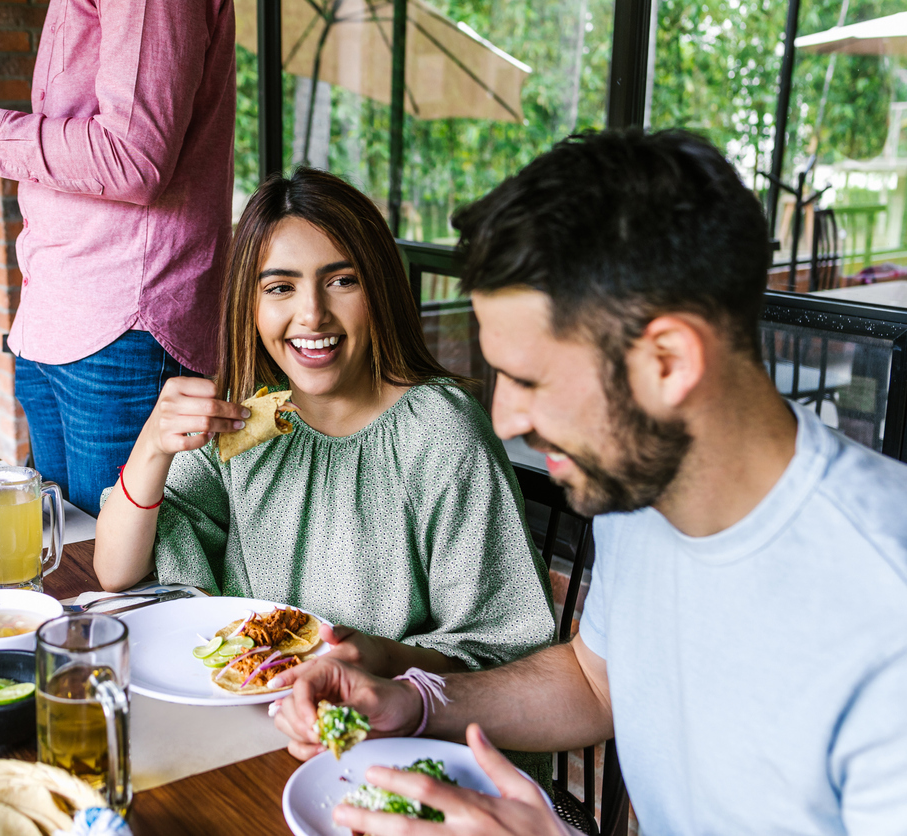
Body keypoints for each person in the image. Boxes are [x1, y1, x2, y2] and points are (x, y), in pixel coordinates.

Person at [270, 130, 907, 835]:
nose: (505, 420)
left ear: (667, 361)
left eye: (530, 379)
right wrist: (417, 701)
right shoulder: (643, 488)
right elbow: (595, 680)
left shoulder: (885, 613)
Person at [94, 168, 556, 779]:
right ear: (249, 304)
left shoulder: (443, 436)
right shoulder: (246, 415)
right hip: (251, 733)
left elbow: (500, 653)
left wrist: (381, 664)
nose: (311, 314)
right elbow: (115, 569)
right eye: (279, 288)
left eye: (341, 280)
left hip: (386, 749)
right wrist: (153, 447)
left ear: (381, 289)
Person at [0, 0, 236, 514]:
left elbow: (132, 159)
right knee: (64, 555)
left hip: (123, 328)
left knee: (123, 579)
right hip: (56, 316)